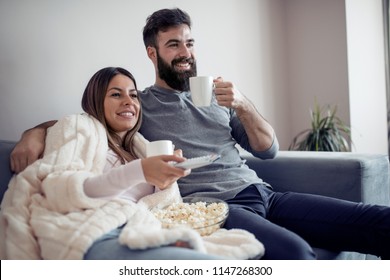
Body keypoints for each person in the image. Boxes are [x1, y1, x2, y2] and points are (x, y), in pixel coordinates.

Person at [9, 8, 390, 260]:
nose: (185, 52)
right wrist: (32, 133)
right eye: (173, 44)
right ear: (152, 52)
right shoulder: (138, 104)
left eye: (189, 42)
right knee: (296, 254)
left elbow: (268, 149)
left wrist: (242, 103)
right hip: (221, 207)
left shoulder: (220, 98)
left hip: (265, 194)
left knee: (376, 220)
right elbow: (93, 115)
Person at [1, 66, 263, 260]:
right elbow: (60, 190)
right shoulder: (78, 127)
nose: (128, 102)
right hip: (93, 231)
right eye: (116, 94)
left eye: (133, 95)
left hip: (142, 230)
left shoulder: (140, 146)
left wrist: (165, 181)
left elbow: (159, 207)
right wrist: (139, 171)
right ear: (96, 101)